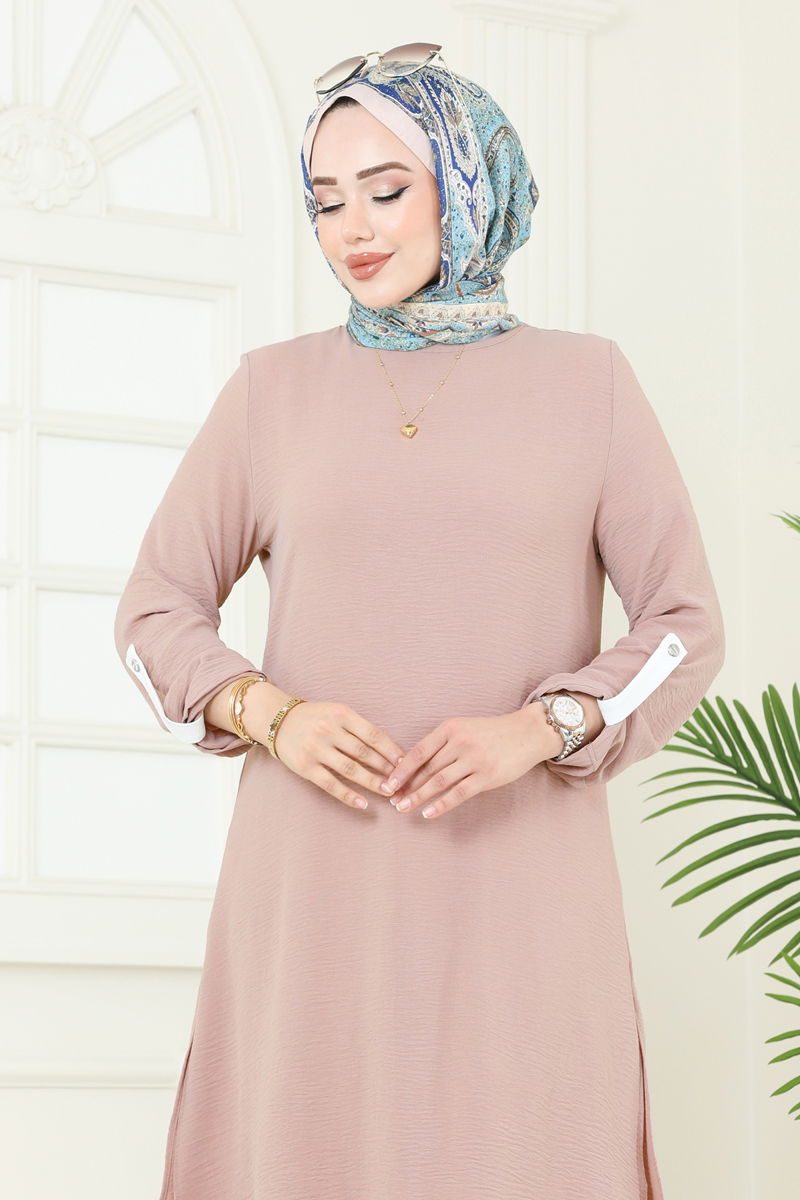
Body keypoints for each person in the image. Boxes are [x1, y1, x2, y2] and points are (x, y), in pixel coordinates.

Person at [114, 44, 725, 1200]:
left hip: (517, 877)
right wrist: (271, 715)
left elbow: (683, 624)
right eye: (325, 200)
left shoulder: (587, 383)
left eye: (387, 190)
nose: (352, 228)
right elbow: (153, 614)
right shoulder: (270, 392)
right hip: (311, 881)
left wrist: (542, 726)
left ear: (467, 181)